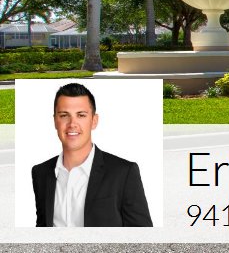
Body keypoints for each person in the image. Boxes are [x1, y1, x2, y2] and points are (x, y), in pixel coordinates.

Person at [31, 82, 152, 227]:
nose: (72, 124)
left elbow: (143, 235)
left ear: (94, 121)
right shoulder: (40, 173)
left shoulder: (124, 172)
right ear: (55, 121)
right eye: (64, 115)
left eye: (81, 115)